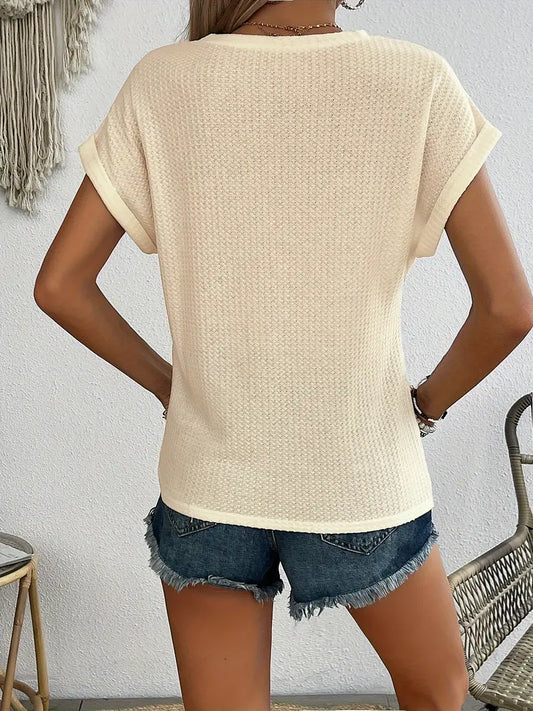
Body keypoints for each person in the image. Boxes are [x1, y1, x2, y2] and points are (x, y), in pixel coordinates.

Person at [34, 0, 533, 709]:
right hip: (358, 474)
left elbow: (61, 286)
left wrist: (170, 387)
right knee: (439, 689)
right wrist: (425, 404)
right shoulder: (416, 81)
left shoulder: (162, 81)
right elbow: (508, 309)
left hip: (207, 479)